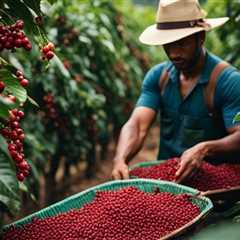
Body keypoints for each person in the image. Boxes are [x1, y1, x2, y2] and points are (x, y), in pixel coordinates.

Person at [111, 0, 240, 183]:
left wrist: (205, 149)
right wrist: (120, 159)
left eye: (181, 43)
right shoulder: (158, 77)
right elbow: (138, 125)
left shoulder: (229, 81)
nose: (173, 53)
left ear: (201, 37)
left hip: (214, 187)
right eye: (168, 45)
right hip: (166, 182)